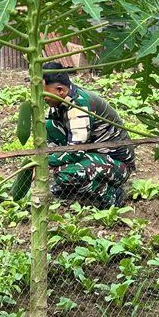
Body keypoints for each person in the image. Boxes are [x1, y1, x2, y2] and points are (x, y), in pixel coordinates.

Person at [42, 61, 134, 208]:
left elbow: (75, 152)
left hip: (117, 165)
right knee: (50, 126)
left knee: (66, 173)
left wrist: (44, 162)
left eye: (45, 94)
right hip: (93, 153)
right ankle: (73, 187)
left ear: (60, 90)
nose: (43, 98)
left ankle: (111, 194)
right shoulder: (60, 102)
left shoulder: (79, 106)